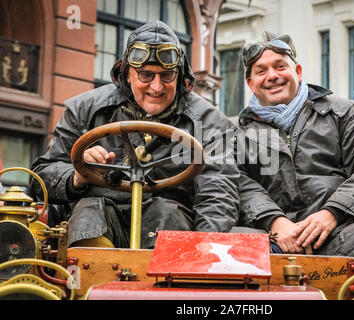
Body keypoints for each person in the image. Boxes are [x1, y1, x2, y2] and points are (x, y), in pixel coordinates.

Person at [29, 21, 240, 249]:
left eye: (167, 76)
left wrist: (203, 249)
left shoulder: (208, 121)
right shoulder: (84, 109)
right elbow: (40, 178)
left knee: (165, 211)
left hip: (171, 230)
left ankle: (166, 280)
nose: (157, 87)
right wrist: (79, 176)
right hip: (98, 222)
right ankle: (85, 278)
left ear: (180, 76)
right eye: (146, 75)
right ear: (127, 74)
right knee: (90, 210)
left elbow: (218, 191)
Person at [236, 31, 354, 256]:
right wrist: (274, 221)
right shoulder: (237, 137)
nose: (272, 76)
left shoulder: (342, 114)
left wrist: (332, 213)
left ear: (297, 72)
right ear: (251, 84)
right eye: (261, 71)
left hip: (340, 232)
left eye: (280, 66)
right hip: (272, 241)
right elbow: (238, 184)